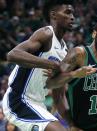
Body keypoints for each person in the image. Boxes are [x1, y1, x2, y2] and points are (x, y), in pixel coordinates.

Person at [2, 0, 75, 131]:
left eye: (73, 13)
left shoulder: (65, 52)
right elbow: (12, 54)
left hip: (38, 104)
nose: (72, 17)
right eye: (67, 12)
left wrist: (72, 124)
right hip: (18, 100)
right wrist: (52, 64)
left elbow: (59, 97)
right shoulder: (46, 33)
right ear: (53, 15)